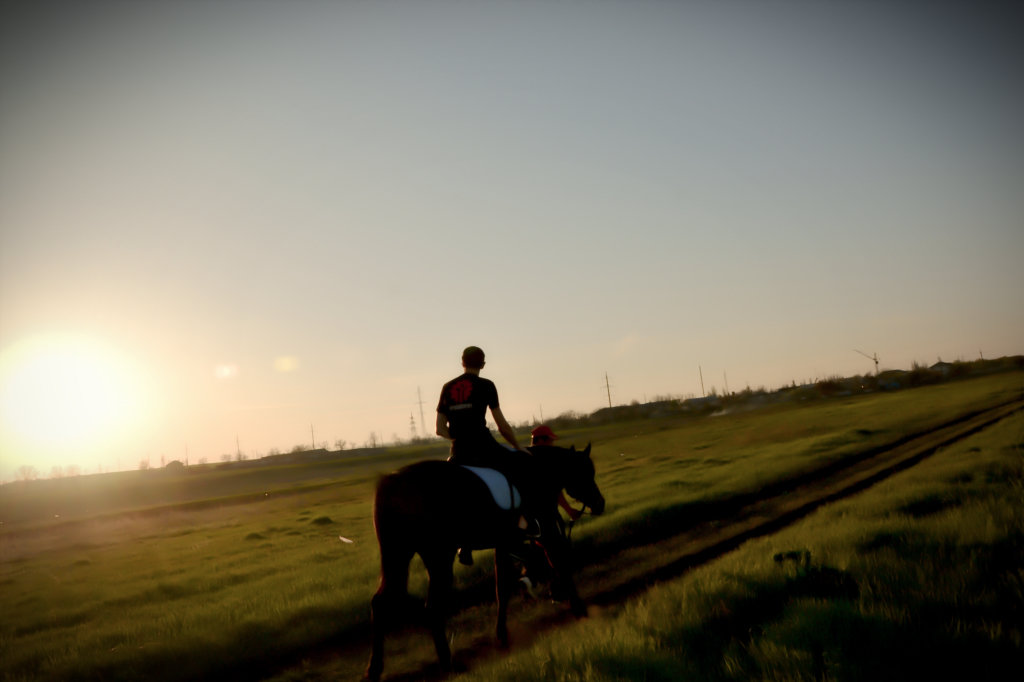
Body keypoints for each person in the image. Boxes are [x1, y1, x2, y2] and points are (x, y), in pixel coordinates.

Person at [437, 346, 530, 565]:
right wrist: (518, 446)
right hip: (485, 447)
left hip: (459, 451)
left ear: (462, 362)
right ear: (483, 364)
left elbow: (440, 429)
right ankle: (520, 532)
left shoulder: (447, 387)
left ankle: (464, 544)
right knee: (521, 474)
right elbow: (503, 426)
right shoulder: (487, 385)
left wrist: (459, 438)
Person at [528, 425, 582, 521]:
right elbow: (552, 488)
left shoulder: (528, 458)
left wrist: (569, 510)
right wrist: (569, 510)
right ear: (540, 440)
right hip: (544, 517)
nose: (552, 444)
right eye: (551, 441)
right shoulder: (539, 463)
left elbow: (554, 489)